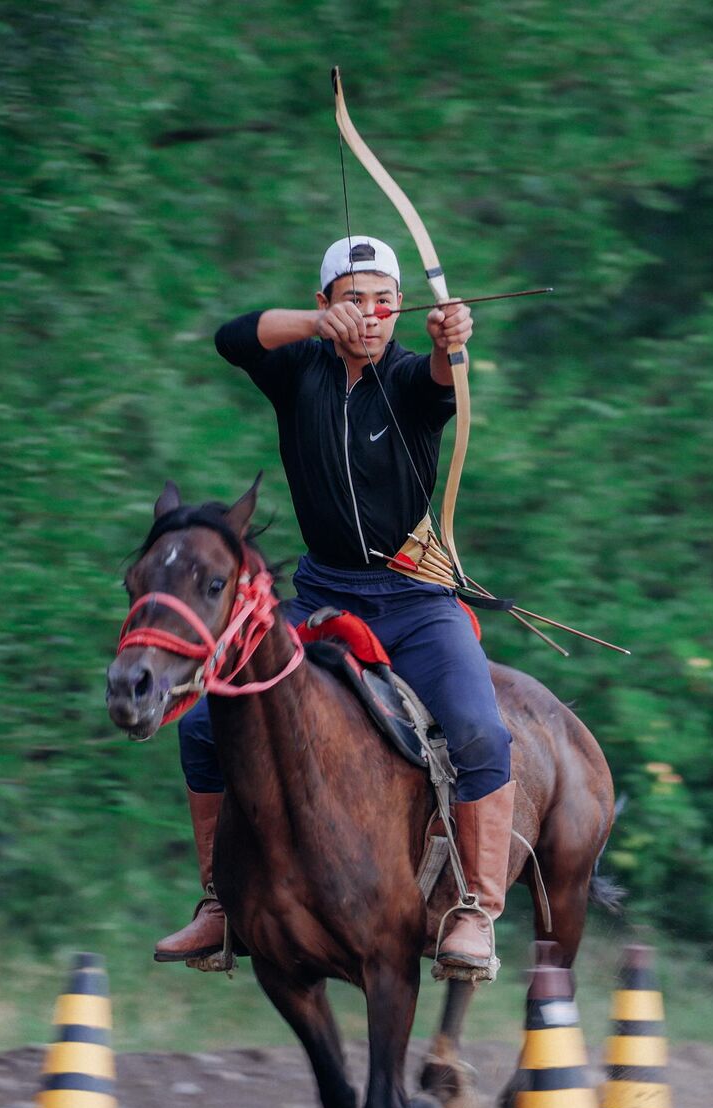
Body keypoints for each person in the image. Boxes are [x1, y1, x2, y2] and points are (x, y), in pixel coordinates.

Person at [155, 235, 515, 976]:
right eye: (354, 300)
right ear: (325, 305)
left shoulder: (413, 380)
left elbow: (446, 380)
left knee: (482, 733)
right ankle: (222, 904)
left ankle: (475, 911)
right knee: (199, 726)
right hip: (320, 597)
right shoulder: (298, 370)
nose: (372, 315)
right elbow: (232, 338)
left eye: (387, 302)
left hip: (415, 601)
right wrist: (313, 328)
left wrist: (453, 344)